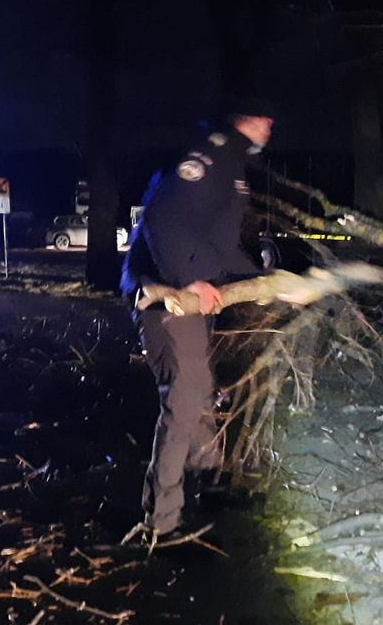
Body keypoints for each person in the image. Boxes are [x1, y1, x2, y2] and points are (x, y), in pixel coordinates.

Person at [121, 104, 275, 537]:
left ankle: (207, 481)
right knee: (184, 401)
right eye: (262, 116)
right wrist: (190, 278)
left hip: (188, 293)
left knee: (201, 390)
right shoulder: (210, 157)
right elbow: (164, 221)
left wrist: (260, 280)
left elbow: (221, 245)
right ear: (243, 118)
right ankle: (162, 521)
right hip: (165, 295)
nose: (269, 125)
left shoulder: (232, 163)